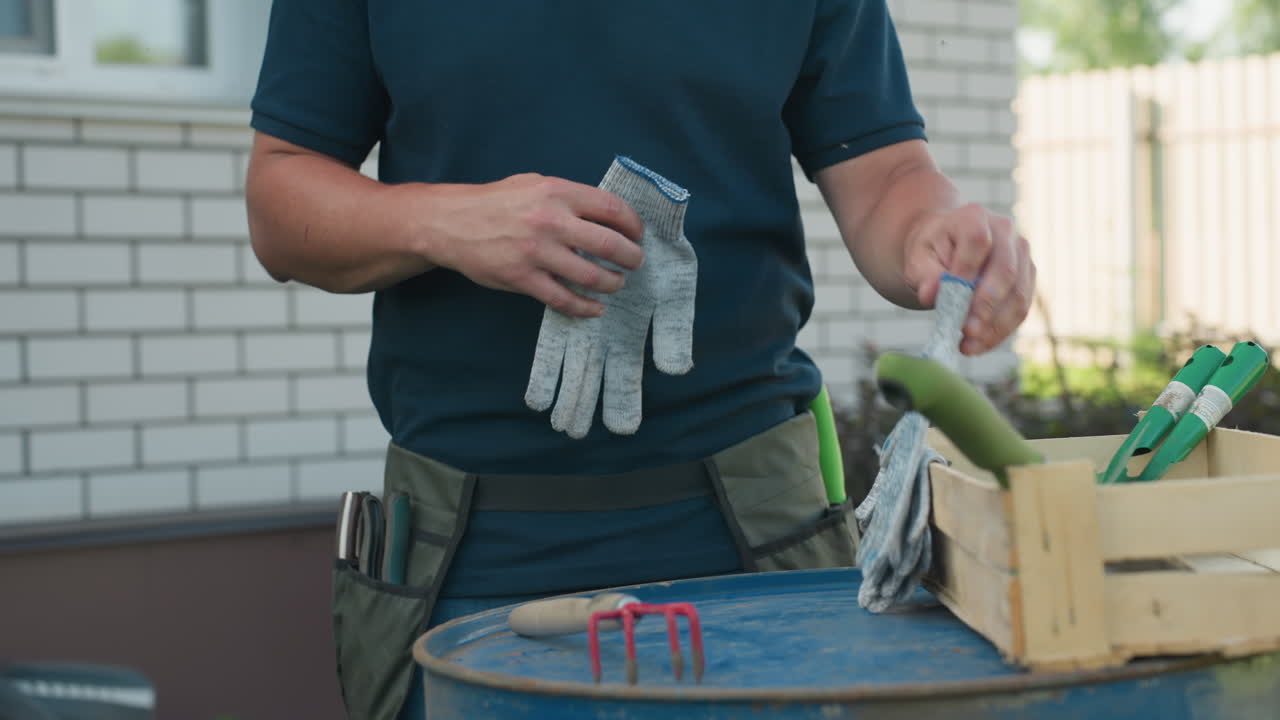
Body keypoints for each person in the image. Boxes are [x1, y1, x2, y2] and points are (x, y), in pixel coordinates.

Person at [246, 1, 1035, 717]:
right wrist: (445, 222)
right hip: (465, 552)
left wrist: (935, 236)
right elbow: (280, 204)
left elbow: (888, 172)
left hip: (756, 535)